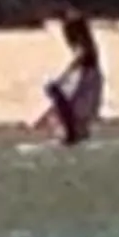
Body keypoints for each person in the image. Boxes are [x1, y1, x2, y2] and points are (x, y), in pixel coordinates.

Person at [33, 13, 105, 147]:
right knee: (72, 105)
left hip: (86, 76)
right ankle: (73, 133)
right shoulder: (88, 46)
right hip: (89, 76)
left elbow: (79, 58)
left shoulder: (83, 46)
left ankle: (71, 135)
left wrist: (63, 77)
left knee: (62, 98)